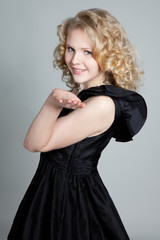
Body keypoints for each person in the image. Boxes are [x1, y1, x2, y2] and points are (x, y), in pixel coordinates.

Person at [8, 8, 147, 240]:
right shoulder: (84, 93)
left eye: (88, 52)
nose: (75, 60)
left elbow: (33, 144)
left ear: (108, 55)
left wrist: (52, 102)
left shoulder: (101, 104)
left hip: (69, 199)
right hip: (51, 188)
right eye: (70, 49)